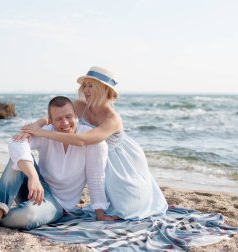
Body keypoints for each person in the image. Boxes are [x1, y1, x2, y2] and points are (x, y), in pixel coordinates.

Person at [0, 96, 118, 240]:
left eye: (69, 117)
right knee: (17, 159)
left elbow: (96, 177)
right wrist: (33, 177)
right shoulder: (46, 132)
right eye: (58, 119)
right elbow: (15, 143)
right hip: (34, 188)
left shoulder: (93, 141)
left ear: (76, 115)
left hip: (57, 203)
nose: (65, 123)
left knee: (27, 217)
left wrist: (100, 211)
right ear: (51, 120)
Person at [20, 66, 168, 220]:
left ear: (104, 89)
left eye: (91, 86)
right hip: (96, 157)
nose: (86, 90)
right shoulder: (79, 106)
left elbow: (83, 140)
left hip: (119, 162)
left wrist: (43, 132)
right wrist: (36, 126)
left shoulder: (113, 118)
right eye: (84, 86)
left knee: (127, 210)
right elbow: (52, 117)